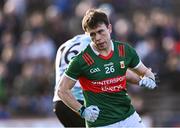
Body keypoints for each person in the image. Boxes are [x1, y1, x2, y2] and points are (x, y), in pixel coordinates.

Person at [58, 8, 157, 127]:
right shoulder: (81, 60)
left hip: (129, 117)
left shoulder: (124, 50)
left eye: (101, 31)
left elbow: (145, 71)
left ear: (109, 28)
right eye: (92, 34)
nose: (98, 38)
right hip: (102, 123)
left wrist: (149, 79)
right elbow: (62, 90)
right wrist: (82, 111)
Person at [53, 34, 148, 127]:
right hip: (82, 101)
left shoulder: (64, 46)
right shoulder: (94, 43)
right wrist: (141, 79)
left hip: (60, 104)